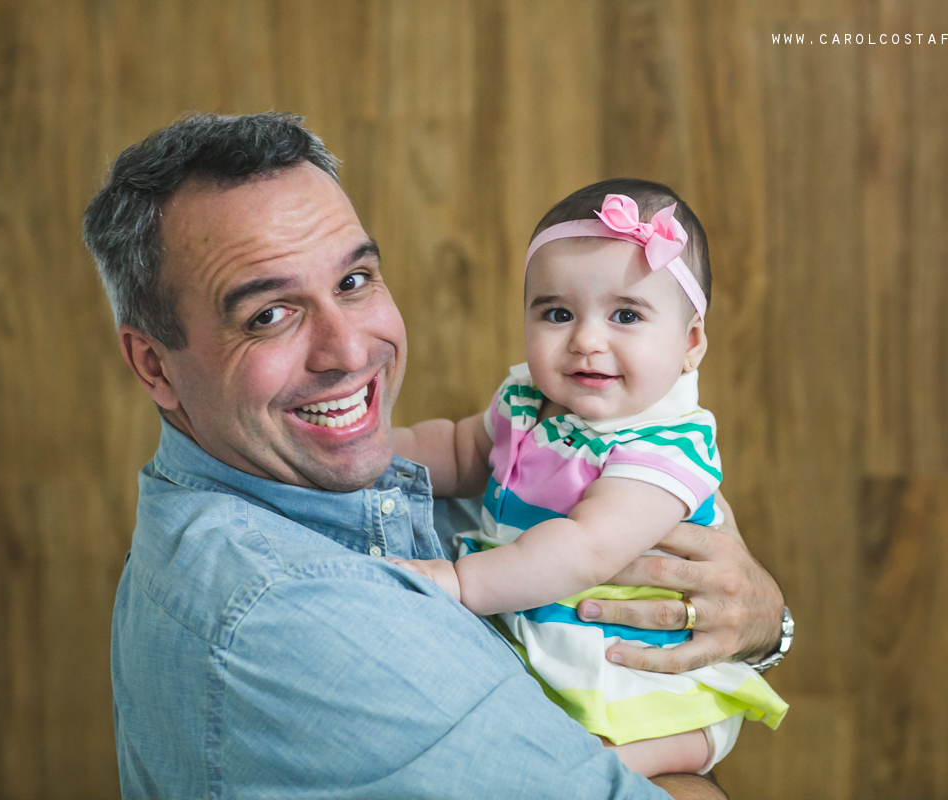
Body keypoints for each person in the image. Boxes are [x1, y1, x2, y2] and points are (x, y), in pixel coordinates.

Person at [83, 112, 790, 799]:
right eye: (268, 315)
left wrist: (765, 626)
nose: (351, 350)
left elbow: (548, 524)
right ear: (155, 365)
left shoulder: (298, 487)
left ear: (691, 339)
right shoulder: (299, 618)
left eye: (354, 282)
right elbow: (463, 449)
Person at [391, 181, 787, 777]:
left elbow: (584, 547)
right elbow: (458, 446)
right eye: (557, 313)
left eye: (626, 315)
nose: (586, 340)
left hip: (632, 663)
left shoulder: (669, 447)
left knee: (615, 754)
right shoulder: (526, 400)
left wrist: (460, 582)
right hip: (541, 625)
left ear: (691, 342)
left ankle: (610, 765)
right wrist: (381, 455)